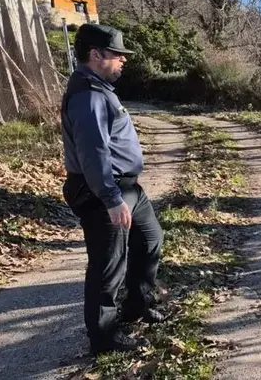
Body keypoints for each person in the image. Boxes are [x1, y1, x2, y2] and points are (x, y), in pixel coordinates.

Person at [60, 24, 165, 355]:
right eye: (118, 55)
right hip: (104, 192)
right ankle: (103, 337)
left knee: (150, 241)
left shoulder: (99, 89)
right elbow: (93, 153)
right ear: (96, 55)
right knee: (108, 265)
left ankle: (138, 305)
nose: (124, 60)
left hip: (128, 188)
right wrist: (110, 199)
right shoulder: (87, 95)